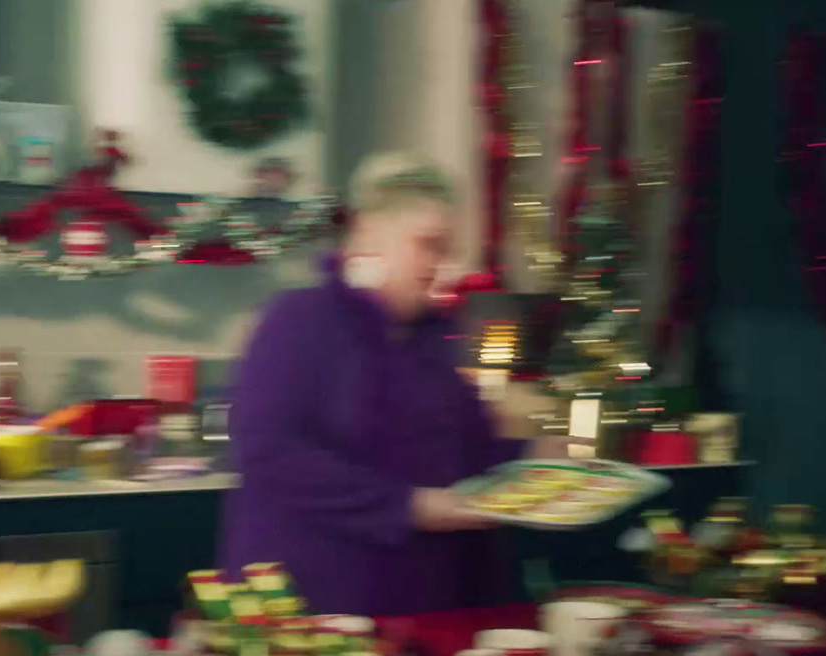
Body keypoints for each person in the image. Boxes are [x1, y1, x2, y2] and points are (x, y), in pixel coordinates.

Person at [218, 152, 573, 615]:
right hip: (315, 614)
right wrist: (408, 507)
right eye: (429, 244)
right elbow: (270, 450)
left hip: (423, 619)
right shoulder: (299, 321)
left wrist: (534, 458)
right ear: (368, 235)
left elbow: (470, 454)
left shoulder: (434, 340)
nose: (443, 267)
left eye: (448, 251)